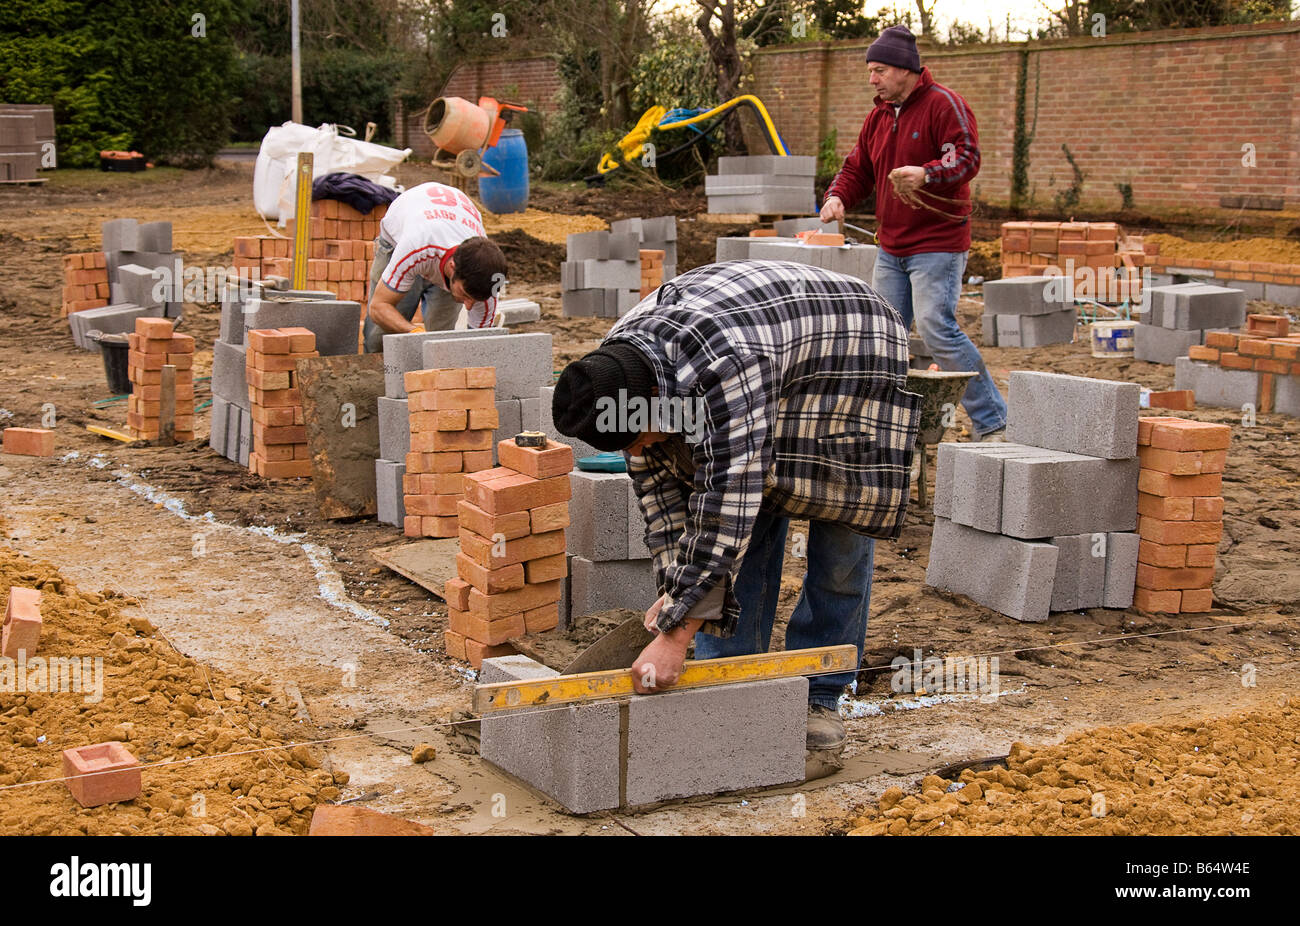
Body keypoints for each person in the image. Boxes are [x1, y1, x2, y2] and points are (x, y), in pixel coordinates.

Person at [551, 259, 920, 754]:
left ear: (658, 401)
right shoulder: (621, 372)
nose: (635, 452)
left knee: (839, 540)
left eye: (636, 440)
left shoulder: (723, 369)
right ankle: (728, 679)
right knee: (754, 515)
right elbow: (667, 511)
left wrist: (676, 638)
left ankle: (820, 692)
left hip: (853, 353)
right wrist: (675, 597)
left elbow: (726, 509)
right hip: (775, 345)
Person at [820, 25, 1007, 440]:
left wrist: (928, 173)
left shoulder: (944, 105)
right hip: (891, 246)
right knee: (883, 334)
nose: (872, 78)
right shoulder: (878, 116)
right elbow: (857, 169)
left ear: (905, 69)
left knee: (935, 326)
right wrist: (837, 196)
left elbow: (967, 157)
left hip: (937, 243)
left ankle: (992, 419)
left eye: (879, 69)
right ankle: (880, 425)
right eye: (870, 70)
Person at [362, 181, 508, 353]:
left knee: (441, 341)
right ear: (453, 268)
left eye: (475, 299)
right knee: (379, 340)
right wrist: (415, 332)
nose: (468, 306)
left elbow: (478, 344)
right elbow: (379, 307)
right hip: (401, 239)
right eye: (466, 295)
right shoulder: (416, 247)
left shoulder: (490, 283)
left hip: (446, 233)